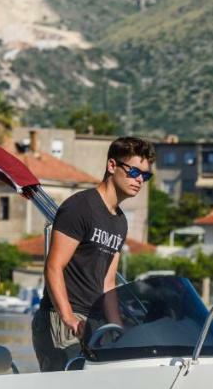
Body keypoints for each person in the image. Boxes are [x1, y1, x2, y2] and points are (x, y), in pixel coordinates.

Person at [31, 136, 156, 372]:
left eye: (145, 175)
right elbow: (53, 266)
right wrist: (69, 319)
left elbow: (108, 283)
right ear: (112, 166)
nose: (139, 180)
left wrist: (118, 329)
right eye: (133, 172)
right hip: (62, 319)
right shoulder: (80, 207)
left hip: (94, 322)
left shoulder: (120, 222)